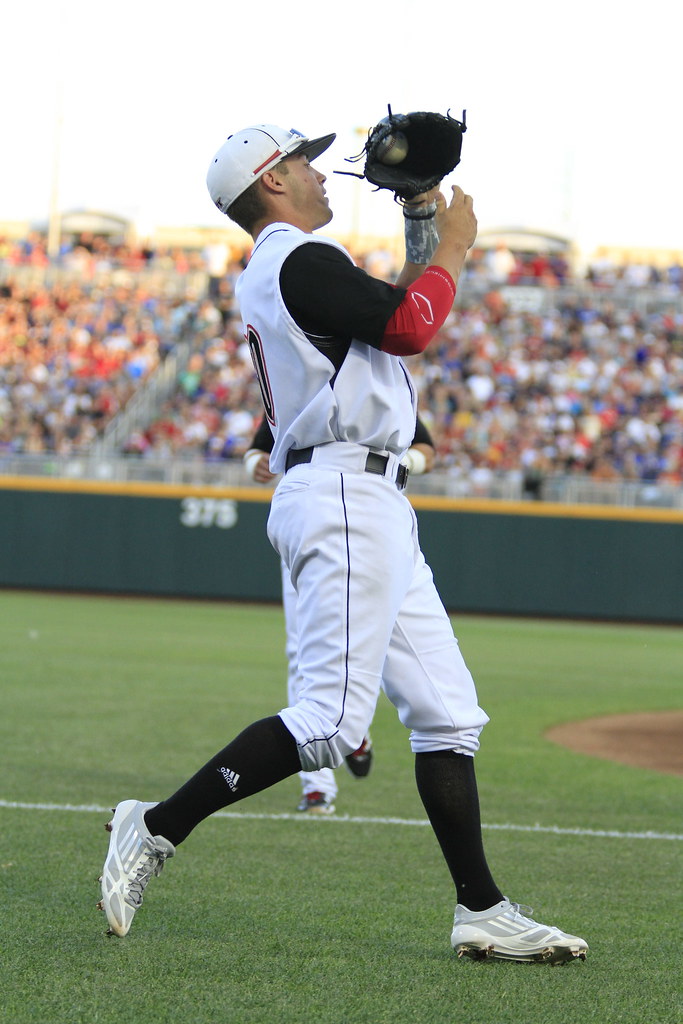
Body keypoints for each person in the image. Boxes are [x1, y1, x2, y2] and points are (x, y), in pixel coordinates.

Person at [99, 122, 588, 964]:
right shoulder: (295, 259)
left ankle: (480, 908)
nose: (321, 173)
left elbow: (388, 311)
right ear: (272, 182)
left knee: (446, 715)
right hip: (343, 494)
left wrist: (422, 219)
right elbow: (410, 327)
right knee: (327, 723)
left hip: (368, 495)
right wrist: (457, 246)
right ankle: (155, 825)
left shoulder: (291, 267)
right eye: (303, 162)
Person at [243, 414, 436, 814]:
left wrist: (406, 463)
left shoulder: (379, 386)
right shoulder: (306, 385)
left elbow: (426, 450)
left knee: (378, 643)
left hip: (377, 515)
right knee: (303, 650)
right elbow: (260, 446)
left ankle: (353, 731)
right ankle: (317, 785)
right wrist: (254, 462)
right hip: (314, 511)